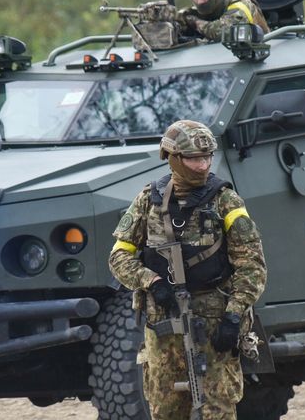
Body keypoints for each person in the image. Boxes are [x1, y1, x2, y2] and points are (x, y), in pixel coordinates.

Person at [109, 119, 267, 420]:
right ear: (172, 157)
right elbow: (119, 257)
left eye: (207, 157)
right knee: (166, 410)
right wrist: (151, 281)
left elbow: (252, 265)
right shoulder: (148, 201)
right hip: (164, 324)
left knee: (219, 408)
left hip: (214, 322)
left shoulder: (225, 200)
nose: (203, 165)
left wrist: (234, 315)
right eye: (194, 158)